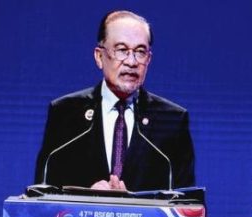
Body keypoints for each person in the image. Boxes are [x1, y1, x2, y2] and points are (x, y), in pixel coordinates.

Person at [34, 10, 195, 192]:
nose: (131, 62)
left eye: (140, 52)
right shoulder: (65, 113)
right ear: (99, 56)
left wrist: (130, 203)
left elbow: (187, 201)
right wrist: (84, 199)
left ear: (149, 59)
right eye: (122, 50)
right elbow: (42, 193)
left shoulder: (172, 120)